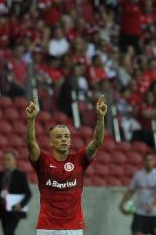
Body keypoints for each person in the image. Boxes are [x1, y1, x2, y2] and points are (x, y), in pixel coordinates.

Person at [25, 95, 107, 235]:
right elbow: (31, 144)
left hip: (73, 228)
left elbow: (97, 142)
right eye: (58, 137)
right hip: (46, 227)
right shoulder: (43, 161)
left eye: (66, 137)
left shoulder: (80, 159)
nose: (63, 140)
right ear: (50, 142)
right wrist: (31, 119)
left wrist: (100, 118)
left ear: (70, 142)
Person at [0, 151, 32, 235]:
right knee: (7, 232)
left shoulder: (20, 176)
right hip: (2, 209)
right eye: (5, 159)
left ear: (15, 161)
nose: (5, 161)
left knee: (8, 232)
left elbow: (28, 194)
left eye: (8, 159)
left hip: (14, 210)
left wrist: (20, 205)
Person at [119, 153, 156, 235]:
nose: (149, 162)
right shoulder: (138, 175)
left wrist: (153, 205)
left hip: (155, 213)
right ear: (144, 161)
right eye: (147, 160)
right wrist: (122, 203)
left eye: (151, 160)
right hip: (139, 212)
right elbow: (131, 190)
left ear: (154, 161)